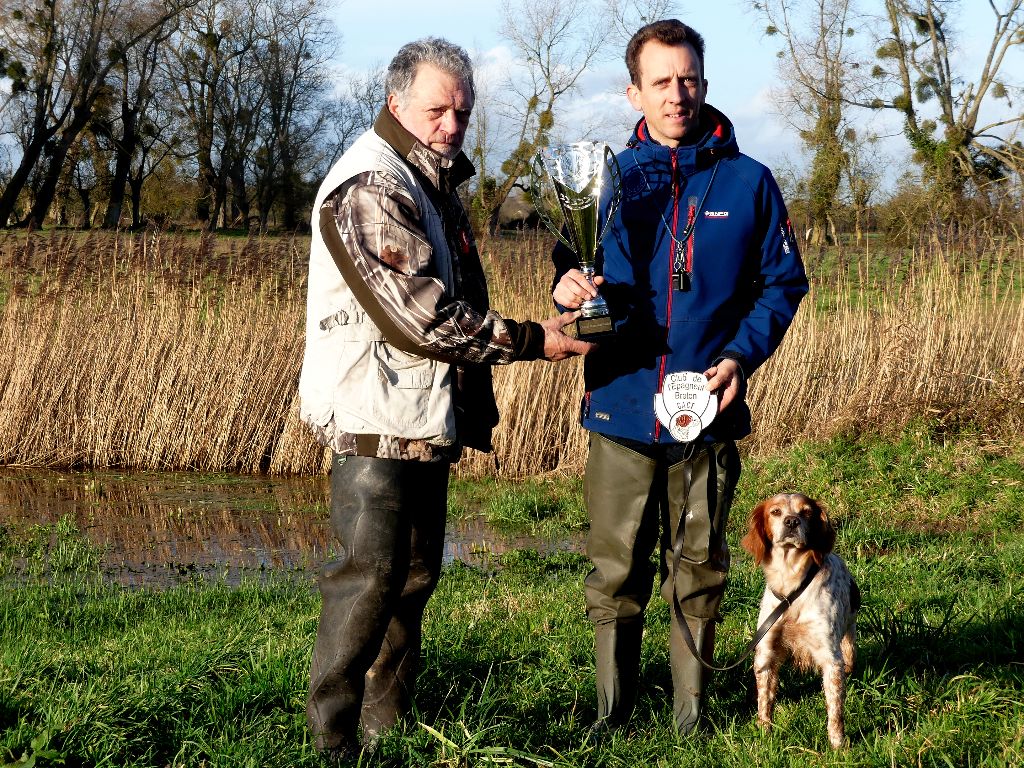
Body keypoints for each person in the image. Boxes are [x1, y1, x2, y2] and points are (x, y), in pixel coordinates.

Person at [299, 37, 592, 756]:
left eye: (462, 111)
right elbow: (419, 317)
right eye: (437, 110)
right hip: (373, 415)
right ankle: (332, 744)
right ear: (396, 103)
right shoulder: (371, 183)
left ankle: (387, 734)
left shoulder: (430, 180)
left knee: (412, 578)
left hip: (420, 414)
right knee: (367, 580)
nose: (452, 125)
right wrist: (533, 340)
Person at [552, 19, 808, 736]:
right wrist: (567, 285)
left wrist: (741, 355)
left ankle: (688, 724)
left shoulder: (750, 181)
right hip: (621, 402)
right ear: (634, 91)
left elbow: (783, 284)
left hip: (707, 411)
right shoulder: (607, 179)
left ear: (704, 83)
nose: (677, 94)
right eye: (661, 81)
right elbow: (570, 264)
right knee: (615, 572)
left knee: (698, 569)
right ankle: (611, 718)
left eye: (688, 79)